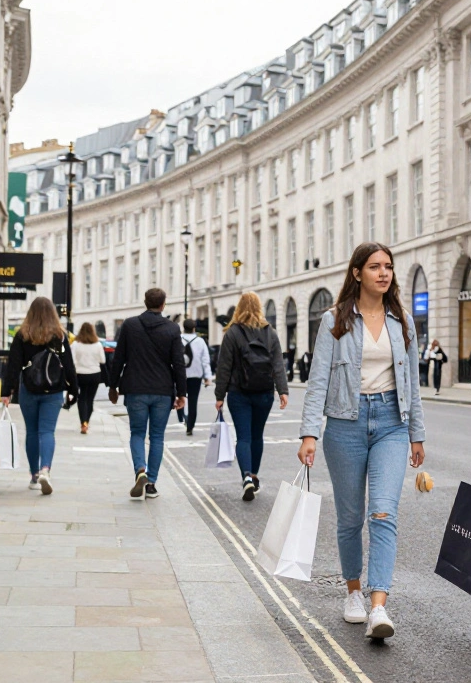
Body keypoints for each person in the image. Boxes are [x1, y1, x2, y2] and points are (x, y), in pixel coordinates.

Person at [297, 243, 426, 641]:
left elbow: (413, 384)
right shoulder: (335, 320)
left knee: (383, 513)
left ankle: (378, 605)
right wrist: (309, 433)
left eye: (388, 267)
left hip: (391, 422)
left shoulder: (402, 321)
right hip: (345, 424)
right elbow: (319, 378)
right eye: (374, 267)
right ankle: (353, 591)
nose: (384, 273)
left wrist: (416, 434)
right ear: (357, 273)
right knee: (351, 518)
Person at [107, 288, 187, 501]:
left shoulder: (130, 325)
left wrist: (113, 386)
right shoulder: (172, 329)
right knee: (157, 436)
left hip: (135, 389)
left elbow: (119, 358)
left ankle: (140, 470)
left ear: (144, 302)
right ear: (163, 305)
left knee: (137, 433)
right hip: (162, 390)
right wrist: (182, 393)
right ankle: (151, 483)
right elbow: (178, 363)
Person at [215, 292, 290, 501]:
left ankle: (246, 476)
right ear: (259, 308)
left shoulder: (232, 333)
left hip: (239, 393)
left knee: (244, 437)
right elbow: (278, 364)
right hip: (264, 393)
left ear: (239, 307)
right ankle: (254, 475)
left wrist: (219, 395)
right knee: (257, 436)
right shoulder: (270, 333)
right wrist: (283, 390)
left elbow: (224, 367)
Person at [0, 297, 77, 495]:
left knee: (32, 432)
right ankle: (46, 469)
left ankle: (34, 475)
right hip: (53, 392)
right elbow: (67, 364)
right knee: (47, 432)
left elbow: (13, 365)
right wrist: (74, 389)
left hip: (29, 390)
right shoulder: (58, 336)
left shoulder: (23, 336)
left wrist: (6, 392)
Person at [179, 319, 213, 436]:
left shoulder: (178, 339)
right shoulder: (200, 341)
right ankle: (190, 426)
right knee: (193, 401)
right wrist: (207, 377)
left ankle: (183, 417)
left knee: (180, 397)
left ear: (183, 327)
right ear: (194, 328)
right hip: (196, 375)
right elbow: (205, 360)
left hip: (181, 375)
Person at [70, 322, 106, 434]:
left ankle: (83, 423)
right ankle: (86, 422)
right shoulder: (98, 344)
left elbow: (72, 361)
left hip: (80, 374)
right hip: (94, 374)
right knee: (90, 399)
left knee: (82, 398)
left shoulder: (75, 344)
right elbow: (103, 360)